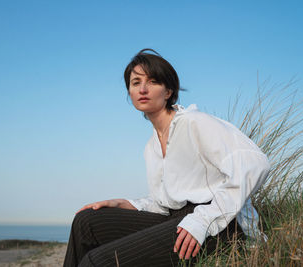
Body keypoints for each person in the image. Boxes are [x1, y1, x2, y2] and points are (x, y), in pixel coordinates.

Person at [63, 49, 270, 267]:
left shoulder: (194, 122)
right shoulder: (151, 146)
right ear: (129, 92)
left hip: (222, 226)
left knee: (96, 262)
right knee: (85, 222)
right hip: (175, 219)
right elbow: (166, 203)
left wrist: (203, 221)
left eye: (152, 81)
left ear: (168, 91)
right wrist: (123, 203)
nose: (143, 89)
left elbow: (256, 164)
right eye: (136, 83)